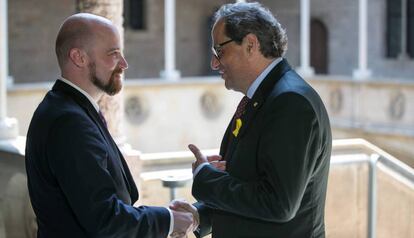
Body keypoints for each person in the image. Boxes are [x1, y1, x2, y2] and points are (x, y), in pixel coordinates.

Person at [25, 13, 194, 238]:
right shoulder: (70, 122)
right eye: (113, 54)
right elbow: (104, 219)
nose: (124, 64)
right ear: (79, 57)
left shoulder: (65, 107)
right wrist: (169, 220)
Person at [171, 2, 332, 238]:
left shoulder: (290, 102)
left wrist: (206, 178)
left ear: (250, 44)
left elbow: (278, 204)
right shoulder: (266, 96)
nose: (214, 63)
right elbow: (250, 189)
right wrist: (199, 217)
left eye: (220, 51)